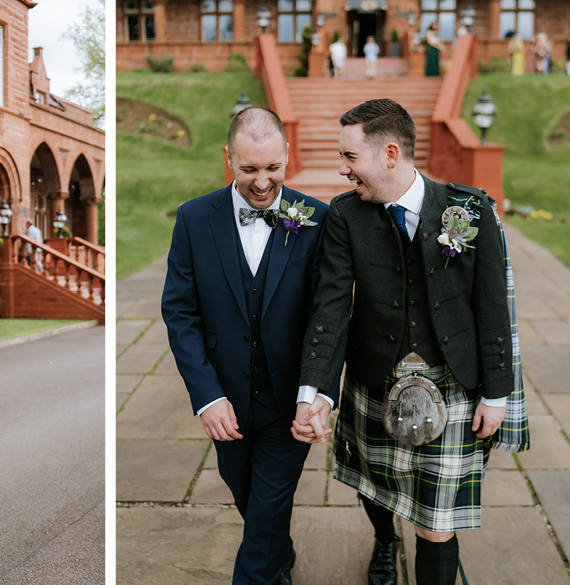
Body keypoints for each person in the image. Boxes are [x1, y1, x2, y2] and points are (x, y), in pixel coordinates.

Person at [292, 99, 515, 585]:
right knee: (374, 487)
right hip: (373, 375)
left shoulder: (469, 210)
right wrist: (311, 394)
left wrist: (497, 395)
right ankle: (384, 538)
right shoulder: (346, 215)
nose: (342, 168)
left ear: (390, 154)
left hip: (453, 380)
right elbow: (331, 306)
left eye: (351, 157)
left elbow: (493, 307)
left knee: (437, 523)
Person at [162, 106, 335, 585]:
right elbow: (180, 312)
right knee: (249, 499)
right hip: (226, 404)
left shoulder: (317, 219)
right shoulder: (194, 219)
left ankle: (266, 560)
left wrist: (317, 395)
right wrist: (207, 397)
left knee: (259, 532)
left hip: (289, 406)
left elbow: (329, 315)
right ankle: (278, 545)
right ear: (228, 159)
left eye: (273, 168)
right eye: (249, 169)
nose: (263, 182)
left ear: (287, 155)